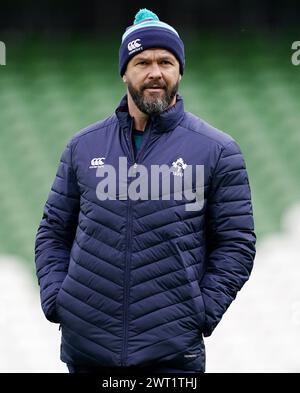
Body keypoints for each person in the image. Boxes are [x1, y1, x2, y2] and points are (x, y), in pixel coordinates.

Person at [35, 8, 256, 374]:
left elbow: (237, 243)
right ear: (124, 72)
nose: (155, 72)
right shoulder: (83, 147)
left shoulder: (217, 150)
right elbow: (52, 231)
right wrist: (59, 301)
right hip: (87, 352)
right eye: (142, 62)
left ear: (179, 71)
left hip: (172, 357)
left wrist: (200, 312)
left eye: (166, 61)